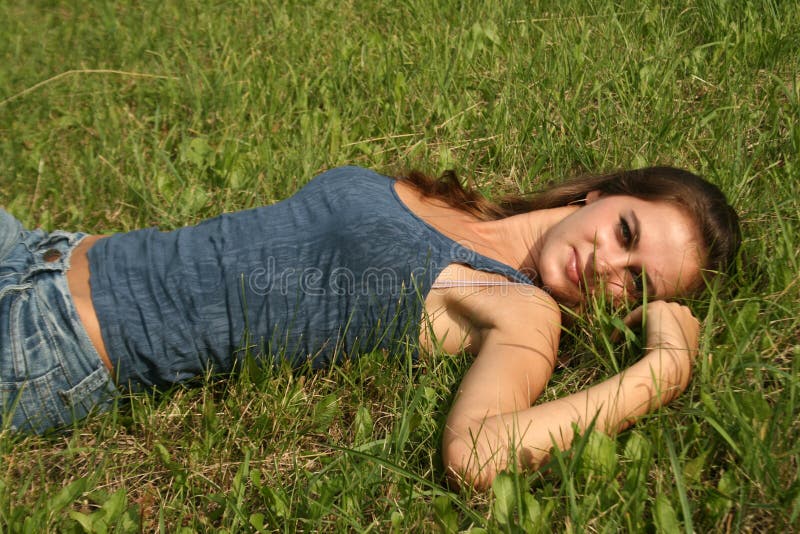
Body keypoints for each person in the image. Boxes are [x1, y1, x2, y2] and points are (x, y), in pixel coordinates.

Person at [0, 165, 739, 490]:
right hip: (45, 251)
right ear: (602, 194)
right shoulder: (460, 209)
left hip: (52, 342)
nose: (610, 265)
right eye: (626, 231)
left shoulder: (523, 311)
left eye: (636, 283)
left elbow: (478, 455)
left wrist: (660, 372)